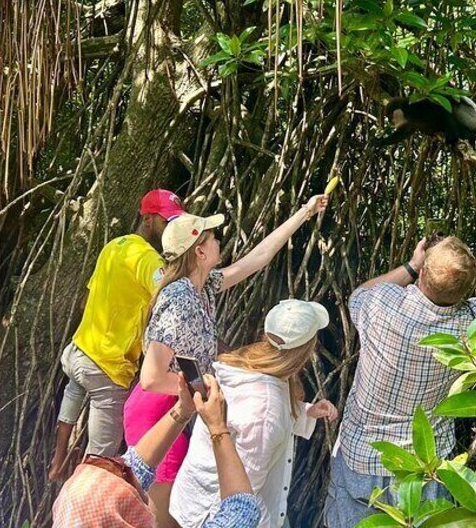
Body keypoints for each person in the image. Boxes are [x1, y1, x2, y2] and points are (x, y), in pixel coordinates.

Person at [324, 221, 476, 527]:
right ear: (466, 290)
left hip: (360, 459)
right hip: (425, 468)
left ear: (423, 275)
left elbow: (359, 294)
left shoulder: (382, 305)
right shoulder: (472, 324)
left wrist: (411, 265)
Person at [124, 195, 329, 527]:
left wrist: (304, 213)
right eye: (212, 237)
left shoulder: (204, 287)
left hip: (184, 406)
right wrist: (205, 389)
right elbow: (150, 378)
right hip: (158, 411)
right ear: (200, 252)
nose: (220, 241)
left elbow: (258, 258)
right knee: (161, 518)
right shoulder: (178, 299)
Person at [48, 189, 185, 481]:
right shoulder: (149, 260)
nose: (170, 228)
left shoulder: (113, 246)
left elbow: (88, 298)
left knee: (72, 396)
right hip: (107, 368)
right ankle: (83, 508)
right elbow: (171, 301)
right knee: (101, 459)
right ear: (147, 219)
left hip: (79, 352)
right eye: (166, 220)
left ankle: (57, 462)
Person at [170, 299, 339, 528]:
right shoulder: (267, 412)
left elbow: (244, 415)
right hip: (216, 514)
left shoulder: (244, 363)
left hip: (195, 496)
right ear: (306, 350)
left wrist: (306, 411)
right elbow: (243, 495)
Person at [53, 372, 262, 528]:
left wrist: (183, 410)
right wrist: (218, 428)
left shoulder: (71, 517)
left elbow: (133, 467)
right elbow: (242, 510)